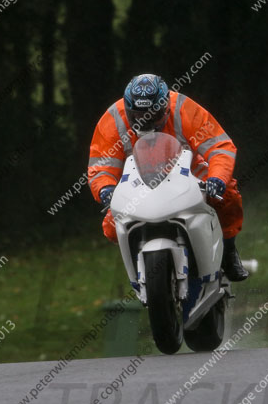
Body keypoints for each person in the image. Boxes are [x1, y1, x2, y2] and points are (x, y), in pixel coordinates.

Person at [87, 73, 248, 281]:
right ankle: (141, 268)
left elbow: (219, 146)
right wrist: (104, 189)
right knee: (111, 226)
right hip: (138, 178)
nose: (145, 120)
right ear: (127, 109)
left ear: (166, 107)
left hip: (188, 170)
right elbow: (101, 165)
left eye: (154, 115)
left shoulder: (183, 108)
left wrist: (217, 178)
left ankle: (228, 250)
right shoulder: (113, 118)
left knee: (228, 196)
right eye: (136, 115)